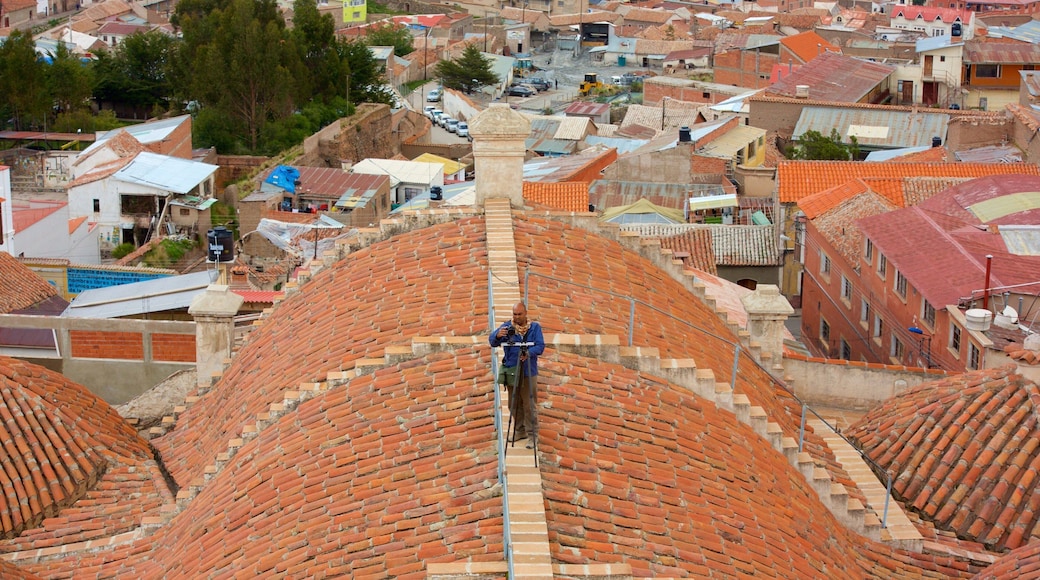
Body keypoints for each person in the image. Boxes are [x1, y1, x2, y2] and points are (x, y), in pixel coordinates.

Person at [489, 302, 545, 448]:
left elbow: (540, 346)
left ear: (525, 313)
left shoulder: (534, 328)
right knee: (513, 404)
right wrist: (497, 335)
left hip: (527, 371)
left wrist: (529, 353)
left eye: (520, 314)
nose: (517, 317)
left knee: (529, 404)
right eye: (515, 314)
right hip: (512, 370)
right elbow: (493, 342)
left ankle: (533, 435)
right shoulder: (507, 328)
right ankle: (519, 430)